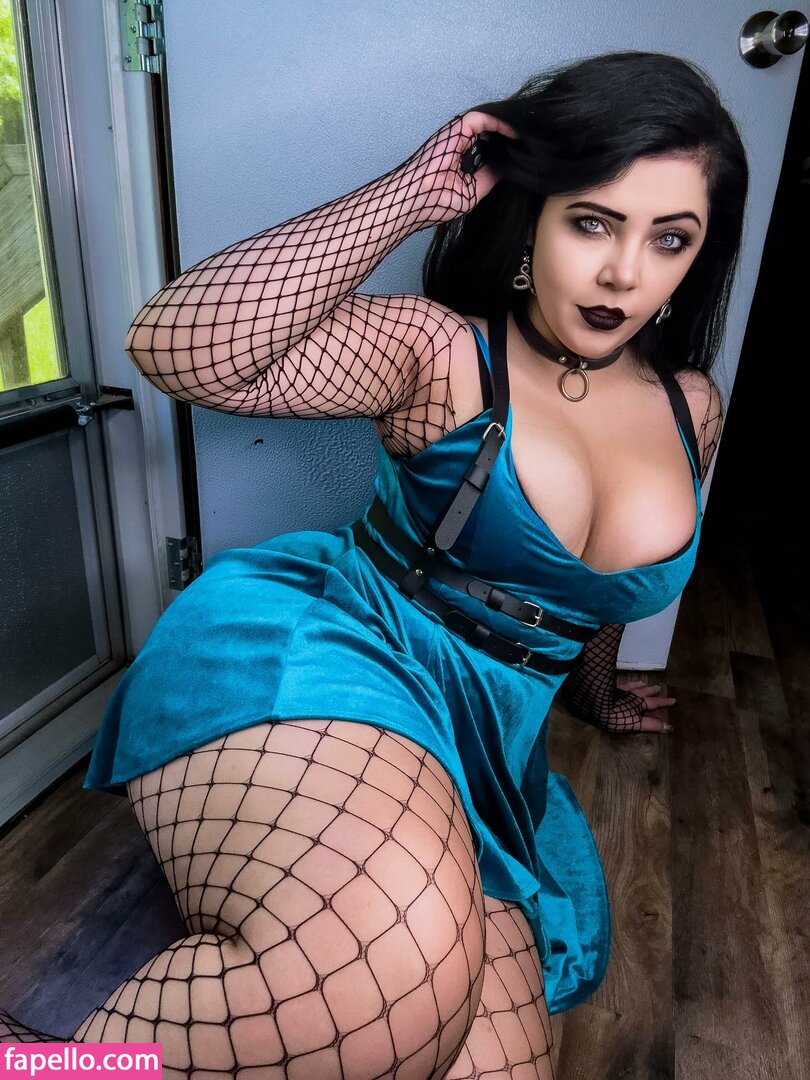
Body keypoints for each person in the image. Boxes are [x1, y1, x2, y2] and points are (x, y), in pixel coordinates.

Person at [2, 49, 747, 1079]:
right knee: (382, 991)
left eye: (669, 238)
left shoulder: (689, 408)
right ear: (533, 218)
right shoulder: (442, 353)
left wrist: (596, 687)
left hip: (486, 743)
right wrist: (408, 197)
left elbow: (595, 595)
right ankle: (41, 1069)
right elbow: (177, 347)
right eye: (591, 222)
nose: (625, 273)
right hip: (337, 648)